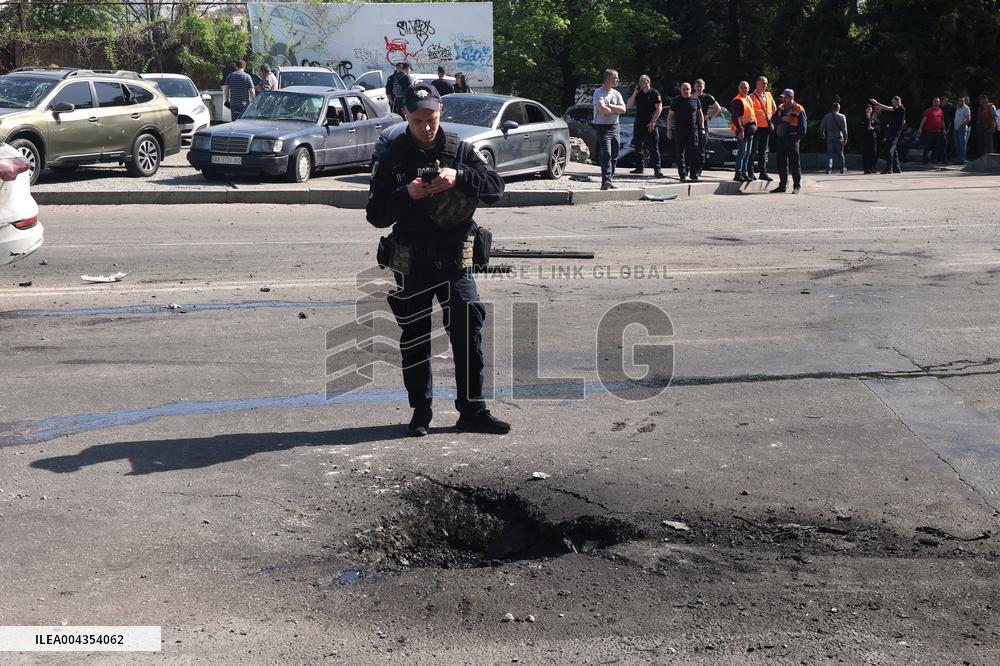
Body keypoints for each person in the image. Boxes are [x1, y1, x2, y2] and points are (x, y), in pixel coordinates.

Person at [366, 82, 509, 436]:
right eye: (417, 121)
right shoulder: (392, 155)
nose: (426, 127)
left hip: (454, 261)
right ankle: (421, 412)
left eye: (431, 118)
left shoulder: (459, 149)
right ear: (405, 116)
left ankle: (472, 410)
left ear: (440, 111)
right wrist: (407, 194)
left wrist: (458, 176)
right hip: (413, 262)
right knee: (414, 338)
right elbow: (376, 214)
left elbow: (495, 188)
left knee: (468, 334)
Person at [592, 69, 626, 190]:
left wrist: (610, 106)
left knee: (615, 155)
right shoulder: (598, 92)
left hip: (615, 126)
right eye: (615, 77)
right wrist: (614, 110)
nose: (617, 79)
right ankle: (605, 180)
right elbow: (602, 110)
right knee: (606, 153)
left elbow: (623, 110)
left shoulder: (616, 94)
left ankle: (610, 179)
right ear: (607, 79)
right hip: (602, 127)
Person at [626, 75, 664, 178]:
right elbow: (628, 105)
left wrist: (653, 121)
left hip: (651, 124)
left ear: (648, 82)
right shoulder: (639, 94)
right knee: (638, 146)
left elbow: (659, 109)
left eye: (642, 81)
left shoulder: (655, 93)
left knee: (653, 148)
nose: (640, 83)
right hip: (639, 124)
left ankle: (657, 170)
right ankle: (639, 168)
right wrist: (635, 93)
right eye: (639, 81)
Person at [665, 82, 704, 182]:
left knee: (694, 151)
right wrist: (668, 129)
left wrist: (702, 128)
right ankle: (682, 174)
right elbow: (670, 116)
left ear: (691, 89)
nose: (686, 91)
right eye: (684, 89)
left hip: (693, 130)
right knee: (680, 153)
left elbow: (700, 114)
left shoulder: (695, 99)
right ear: (681, 90)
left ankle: (694, 174)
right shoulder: (676, 101)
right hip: (680, 130)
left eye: (687, 89)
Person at [770, 88, 807, 194]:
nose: (783, 99)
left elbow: (803, 129)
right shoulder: (781, 108)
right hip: (781, 139)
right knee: (781, 163)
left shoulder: (799, 109)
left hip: (793, 140)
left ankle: (796, 187)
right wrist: (782, 119)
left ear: (791, 97)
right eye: (783, 97)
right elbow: (773, 120)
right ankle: (782, 186)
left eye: (785, 97)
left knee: (795, 164)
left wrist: (794, 139)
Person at [749, 75, 777, 181]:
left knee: (763, 151)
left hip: (766, 127)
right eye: (763, 83)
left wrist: (768, 118)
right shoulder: (751, 96)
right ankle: (750, 172)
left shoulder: (768, 95)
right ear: (757, 84)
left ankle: (763, 172)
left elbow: (774, 108)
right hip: (756, 128)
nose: (765, 85)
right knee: (753, 151)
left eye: (766, 83)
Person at [693, 79, 722, 178]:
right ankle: (691, 168)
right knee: (692, 148)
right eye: (697, 86)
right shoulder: (691, 97)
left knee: (701, 148)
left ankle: (698, 171)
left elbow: (718, 108)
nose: (699, 88)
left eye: (701, 86)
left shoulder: (707, 97)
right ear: (694, 87)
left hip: (702, 126)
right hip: (692, 126)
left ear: (704, 87)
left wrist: (709, 117)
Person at [870, 96, 906, 173]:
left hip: (895, 132)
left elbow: (888, 108)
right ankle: (897, 168)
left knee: (889, 149)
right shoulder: (897, 108)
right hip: (892, 130)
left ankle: (889, 168)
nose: (892, 103)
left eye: (893, 102)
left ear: (898, 101)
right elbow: (889, 107)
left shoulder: (901, 108)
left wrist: (877, 103)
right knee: (894, 149)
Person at [730, 81, 756, 182]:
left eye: (745, 88)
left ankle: (744, 173)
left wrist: (755, 126)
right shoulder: (737, 100)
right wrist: (740, 130)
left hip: (750, 130)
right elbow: (735, 118)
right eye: (742, 88)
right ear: (738, 89)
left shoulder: (748, 98)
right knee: (742, 153)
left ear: (748, 88)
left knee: (747, 153)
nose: (744, 89)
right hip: (742, 130)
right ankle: (738, 173)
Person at [820, 102, 848, 174]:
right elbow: (844, 129)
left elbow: (821, 126)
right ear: (838, 108)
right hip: (839, 138)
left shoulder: (826, 116)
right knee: (840, 154)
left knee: (829, 154)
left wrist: (822, 133)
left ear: (832, 108)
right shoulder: (842, 116)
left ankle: (828, 169)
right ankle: (842, 168)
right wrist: (845, 139)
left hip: (830, 137)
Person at [917, 97, 946, 164]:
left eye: (938, 101)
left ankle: (934, 160)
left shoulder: (941, 111)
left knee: (936, 146)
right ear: (933, 102)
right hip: (929, 131)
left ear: (939, 102)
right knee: (927, 145)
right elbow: (924, 120)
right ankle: (925, 160)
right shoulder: (928, 110)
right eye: (935, 101)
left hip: (937, 131)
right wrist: (920, 128)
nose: (937, 102)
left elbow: (942, 121)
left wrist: (944, 129)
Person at [862, 103, 880, 174]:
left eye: (870, 109)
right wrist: (867, 118)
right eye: (868, 109)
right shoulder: (863, 117)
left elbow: (878, 127)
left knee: (874, 152)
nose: (869, 111)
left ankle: (872, 167)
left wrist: (873, 128)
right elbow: (861, 127)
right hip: (865, 138)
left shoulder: (874, 118)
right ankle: (866, 168)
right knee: (866, 153)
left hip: (873, 137)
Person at [953, 96, 971, 163]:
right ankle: (958, 159)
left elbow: (968, 119)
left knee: (962, 144)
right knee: (957, 145)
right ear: (958, 101)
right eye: (961, 101)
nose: (962, 102)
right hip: (956, 129)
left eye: (963, 101)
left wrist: (962, 126)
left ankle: (962, 159)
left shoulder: (966, 108)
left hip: (962, 129)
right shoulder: (957, 108)